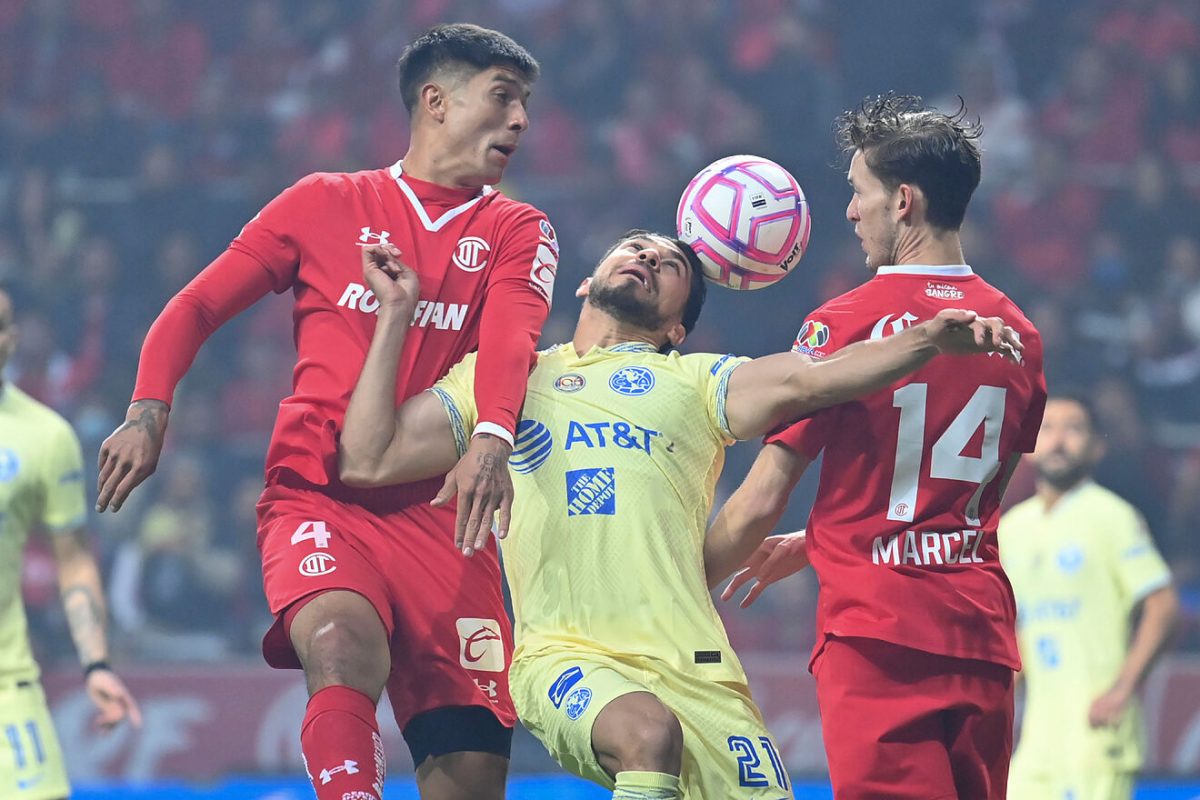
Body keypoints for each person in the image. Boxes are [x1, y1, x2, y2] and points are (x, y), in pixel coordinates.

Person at [336, 229, 1021, 799]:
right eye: (634, 247)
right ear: (586, 280)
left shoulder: (696, 384)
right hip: (567, 653)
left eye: (668, 265)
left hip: (700, 672)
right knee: (647, 735)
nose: (647, 258)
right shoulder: (508, 379)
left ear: (675, 325)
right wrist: (395, 315)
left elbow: (812, 378)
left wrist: (927, 339)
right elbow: (369, 457)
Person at [94, 24, 558, 800]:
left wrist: (490, 438)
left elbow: (514, 339)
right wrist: (149, 409)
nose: (521, 122)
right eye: (504, 99)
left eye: (527, 106)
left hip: (448, 514)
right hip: (321, 494)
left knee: (470, 773)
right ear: (436, 102)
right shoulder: (324, 202)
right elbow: (198, 304)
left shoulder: (519, 229)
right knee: (340, 648)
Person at [711, 94, 1048, 800]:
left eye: (858, 193)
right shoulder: (1019, 333)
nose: (848, 211)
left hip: (880, 638)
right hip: (981, 637)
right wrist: (827, 534)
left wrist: (669, 587)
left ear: (902, 202)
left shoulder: (846, 325)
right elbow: (972, 495)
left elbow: (757, 503)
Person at [999, 395, 1179, 800]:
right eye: (1047, 428)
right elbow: (1014, 624)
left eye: (1074, 428)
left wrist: (1123, 689)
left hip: (1096, 736)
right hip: (1037, 737)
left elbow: (1162, 605)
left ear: (1098, 446)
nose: (1059, 440)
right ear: (1029, 446)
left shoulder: (1111, 516)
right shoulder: (1012, 528)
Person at [0, 286, 141, 800]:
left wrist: (96, 663)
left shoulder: (46, 437)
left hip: (8, 690)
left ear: (11, 340)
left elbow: (74, 559)